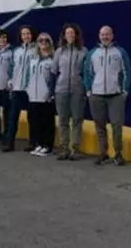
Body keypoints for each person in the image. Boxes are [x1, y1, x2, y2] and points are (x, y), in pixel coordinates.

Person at [84, 25, 131, 165]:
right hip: (96, 95)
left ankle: (118, 153)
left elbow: (127, 72)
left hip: (115, 95)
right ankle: (102, 153)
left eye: (108, 34)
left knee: (117, 125)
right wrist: (89, 90)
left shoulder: (120, 52)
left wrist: (124, 91)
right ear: (99, 36)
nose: (105, 37)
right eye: (103, 34)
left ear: (112, 36)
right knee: (100, 125)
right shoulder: (93, 53)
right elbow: (87, 72)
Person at [54, 23, 87, 161]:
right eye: (68, 33)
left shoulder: (84, 51)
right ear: (64, 35)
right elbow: (54, 70)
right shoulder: (59, 51)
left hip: (77, 90)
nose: (70, 35)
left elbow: (87, 72)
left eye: (72, 33)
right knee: (63, 120)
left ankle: (75, 149)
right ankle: (64, 148)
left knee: (77, 120)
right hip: (61, 90)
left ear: (76, 35)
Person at [3, 25, 36, 153]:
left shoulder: (36, 50)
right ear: (20, 36)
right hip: (17, 88)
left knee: (32, 117)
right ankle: (9, 142)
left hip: (30, 90)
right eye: (23, 34)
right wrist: (11, 80)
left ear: (32, 35)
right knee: (12, 117)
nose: (26, 36)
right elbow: (11, 67)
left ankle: (32, 142)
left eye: (28, 33)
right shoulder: (16, 51)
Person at [25, 32, 58, 156]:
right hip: (33, 95)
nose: (43, 43)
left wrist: (52, 93)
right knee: (34, 121)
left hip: (46, 96)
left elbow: (54, 78)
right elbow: (28, 75)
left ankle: (47, 145)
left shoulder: (53, 59)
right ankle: (38, 143)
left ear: (50, 43)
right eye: (41, 40)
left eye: (46, 40)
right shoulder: (33, 59)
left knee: (47, 121)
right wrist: (28, 88)